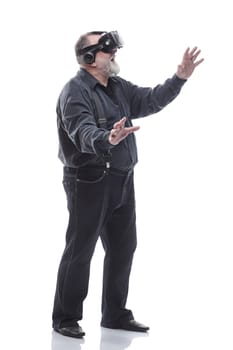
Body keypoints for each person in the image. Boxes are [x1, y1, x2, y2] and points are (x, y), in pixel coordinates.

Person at [52, 30, 204, 338]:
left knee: (124, 247)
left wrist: (179, 78)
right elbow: (81, 131)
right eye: (108, 50)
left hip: (122, 177)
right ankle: (65, 317)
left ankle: (114, 314)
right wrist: (106, 138)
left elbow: (149, 100)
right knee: (80, 250)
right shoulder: (75, 91)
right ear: (89, 57)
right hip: (89, 181)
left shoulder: (117, 87)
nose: (115, 54)